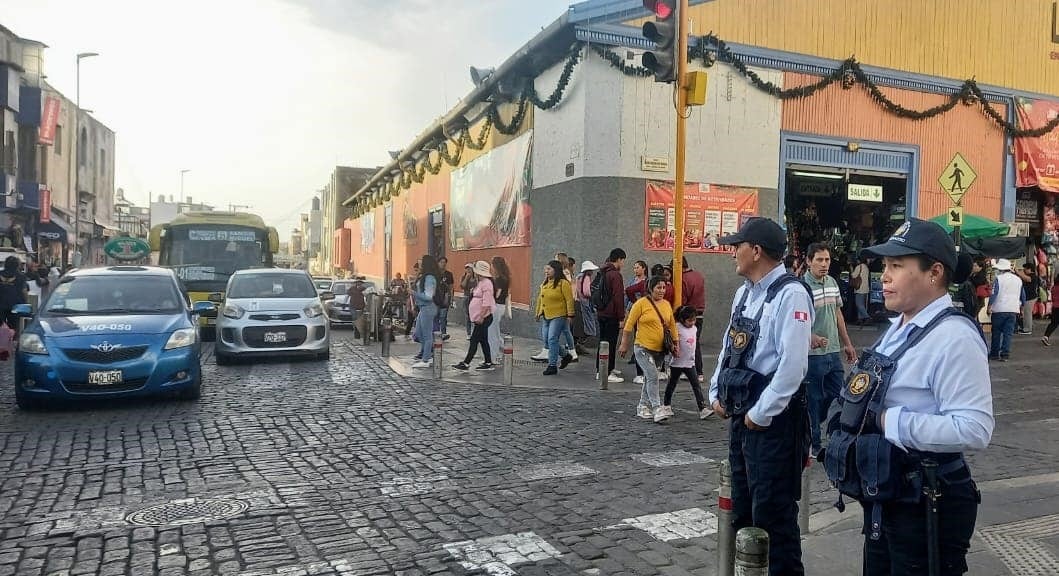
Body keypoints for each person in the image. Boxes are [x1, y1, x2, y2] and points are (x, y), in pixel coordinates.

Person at [824, 218, 993, 576]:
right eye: (885, 266)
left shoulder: (954, 337)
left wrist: (887, 420)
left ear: (934, 273)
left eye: (897, 266)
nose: (884, 276)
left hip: (927, 500)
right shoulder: (898, 327)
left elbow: (975, 428)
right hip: (889, 493)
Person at [708, 217, 814, 575]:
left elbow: (793, 366)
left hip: (774, 425)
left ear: (756, 251)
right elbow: (729, 347)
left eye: (737, 246)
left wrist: (762, 412)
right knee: (743, 509)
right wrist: (715, 392)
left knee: (774, 516)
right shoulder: (744, 294)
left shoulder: (792, 294)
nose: (732, 253)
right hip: (741, 417)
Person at [802, 243, 857, 458]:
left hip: (833, 352)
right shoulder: (802, 287)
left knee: (837, 396)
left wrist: (847, 343)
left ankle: (829, 434)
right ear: (808, 261)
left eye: (827, 260)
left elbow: (838, 315)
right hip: (813, 355)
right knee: (813, 398)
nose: (824, 264)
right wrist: (810, 336)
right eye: (819, 260)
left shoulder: (833, 283)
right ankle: (814, 443)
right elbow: (796, 321)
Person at [618, 275, 678, 423]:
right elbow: (629, 325)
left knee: (649, 378)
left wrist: (676, 344)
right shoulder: (641, 304)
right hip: (642, 347)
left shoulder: (666, 305)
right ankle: (657, 407)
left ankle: (643, 406)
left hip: (659, 350)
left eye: (664, 287)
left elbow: (671, 326)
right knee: (652, 376)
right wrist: (624, 343)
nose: (662, 290)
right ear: (651, 289)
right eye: (659, 287)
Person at [662, 305, 710, 420]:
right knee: (672, 384)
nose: (692, 322)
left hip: (689, 363)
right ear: (682, 319)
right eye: (689, 320)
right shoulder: (677, 327)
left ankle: (702, 407)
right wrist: (673, 349)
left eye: (694, 320)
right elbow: (670, 339)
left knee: (696, 385)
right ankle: (666, 405)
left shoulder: (694, 329)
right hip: (677, 363)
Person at [453, 261, 497, 371]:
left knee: (474, 340)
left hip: (484, 317)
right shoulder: (481, 282)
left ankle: (466, 362)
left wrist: (481, 316)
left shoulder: (486, 283)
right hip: (480, 317)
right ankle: (487, 362)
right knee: (483, 340)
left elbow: (486, 302)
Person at [535, 260, 575, 376]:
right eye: (545, 269)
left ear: (556, 270)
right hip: (546, 315)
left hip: (559, 315)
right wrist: (538, 312)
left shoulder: (563, 283)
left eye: (549, 269)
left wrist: (570, 314)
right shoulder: (545, 283)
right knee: (547, 340)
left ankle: (552, 365)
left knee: (552, 338)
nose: (546, 271)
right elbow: (540, 298)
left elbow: (569, 299)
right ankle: (566, 355)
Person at [673, 257, 707, 382]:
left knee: (685, 343)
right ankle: (699, 372)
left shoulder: (682, 279)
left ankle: (689, 370)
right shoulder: (699, 275)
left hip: (686, 315)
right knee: (695, 343)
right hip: (699, 314)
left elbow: (682, 299)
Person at [596, 248, 627, 384]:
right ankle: (606, 372)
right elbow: (618, 297)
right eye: (623, 261)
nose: (623, 264)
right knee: (611, 343)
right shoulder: (615, 275)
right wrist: (621, 317)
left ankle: (601, 369)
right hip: (611, 314)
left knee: (603, 342)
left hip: (601, 312)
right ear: (619, 259)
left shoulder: (603, 272)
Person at [987, 258, 1024, 362]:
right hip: (1013, 309)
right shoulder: (1018, 280)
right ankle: (1005, 354)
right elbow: (1023, 296)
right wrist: (1021, 308)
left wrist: (989, 307)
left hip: (999, 309)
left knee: (996, 332)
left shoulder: (998, 279)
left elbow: (994, 294)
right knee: (1008, 333)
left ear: (1001, 269)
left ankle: (994, 354)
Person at [410, 255, 440, 368]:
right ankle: (427, 353)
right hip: (423, 308)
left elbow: (428, 296)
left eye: (421, 263)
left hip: (428, 307)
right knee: (418, 332)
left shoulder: (429, 278)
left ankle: (426, 359)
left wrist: (414, 293)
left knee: (427, 334)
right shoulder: (424, 277)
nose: (420, 265)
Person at [488, 256, 511, 359]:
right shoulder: (504, 278)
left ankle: (494, 356)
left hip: (497, 305)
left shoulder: (500, 279)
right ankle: (505, 349)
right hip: (500, 305)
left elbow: (497, 294)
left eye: (492, 264)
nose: (491, 267)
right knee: (495, 330)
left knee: (492, 332)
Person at [0, 256, 29, 329]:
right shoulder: (21, 276)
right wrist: (26, 302)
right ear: (17, 265)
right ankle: (12, 339)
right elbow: (24, 291)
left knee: (0, 326)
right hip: (15, 305)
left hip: (1, 304)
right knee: (13, 326)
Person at [1015, 262, 1040, 335]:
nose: (1024, 270)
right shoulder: (1028, 275)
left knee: (1027, 313)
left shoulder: (1033, 276)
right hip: (1028, 297)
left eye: (1025, 269)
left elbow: (1027, 279)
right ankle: (1028, 326)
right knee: (1026, 313)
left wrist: (1018, 272)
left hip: (1030, 297)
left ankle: (1027, 329)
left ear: (1029, 269)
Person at [436, 257, 455, 340]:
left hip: (445, 297)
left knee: (443, 316)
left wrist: (451, 298)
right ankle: (436, 332)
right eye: (441, 262)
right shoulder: (435, 273)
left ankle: (443, 333)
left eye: (444, 262)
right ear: (438, 263)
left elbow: (451, 287)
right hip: (436, 297)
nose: (443, 264)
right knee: (436, 315)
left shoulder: (449, 274)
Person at [459, 262, 476, 338]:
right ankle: (468, 333)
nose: (468, 270)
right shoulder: (464, 277)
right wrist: (466, 278)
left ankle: (475, 332)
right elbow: (462, 286)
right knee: (467, 315)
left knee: (475, 315)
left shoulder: (476, 278)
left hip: (475, 298)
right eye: (466, 269)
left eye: (469, 268)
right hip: (467, 297)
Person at [852, 257, 871, 324]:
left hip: (859, 288)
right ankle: (860, 319)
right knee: (862, 304)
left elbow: (853, 276)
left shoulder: (858, 267)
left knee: (859, 304)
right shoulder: (866, 267)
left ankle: (867, 317)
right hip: (865, 288)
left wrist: (851, 270)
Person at [1042, 272, 1059, 346]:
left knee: (1053, 323)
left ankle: (1046, 337)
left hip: (1055, 307)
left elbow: (1052, 298)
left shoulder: (1054, 288)